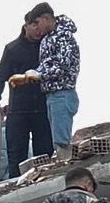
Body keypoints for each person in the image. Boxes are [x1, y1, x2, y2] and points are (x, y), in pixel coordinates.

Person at [0, 8, 56, 177]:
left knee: (45, 155)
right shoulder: (12, 49)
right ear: (25, 26)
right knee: (16, 157)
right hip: (18, 109)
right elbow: (0, 76)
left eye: (38, 24)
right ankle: (15, 188)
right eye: (33, 24)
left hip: (42, 108)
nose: (36, 28)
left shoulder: (47, 45)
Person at [35, 12, 82, 150]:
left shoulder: (64, 37)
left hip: (62, 93)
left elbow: (63, 65)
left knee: (61, 144)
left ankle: (65, 168)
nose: (37, 27)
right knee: (57, 142)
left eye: (38, 22)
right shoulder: (48, 38)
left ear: (46, 18)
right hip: (52, 95)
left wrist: (40, 74)